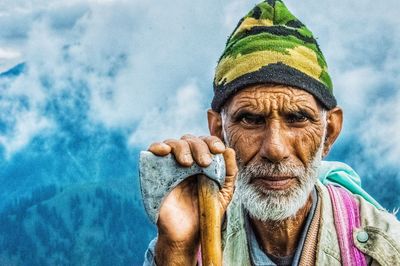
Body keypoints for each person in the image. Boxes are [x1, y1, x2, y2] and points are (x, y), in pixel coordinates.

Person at [143, 1, 400, 265]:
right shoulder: (190, 243)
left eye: (298, 118)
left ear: (329, 131)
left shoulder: (386, 250)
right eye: (251, 119)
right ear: (219, 132)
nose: (275, 149)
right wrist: (178, 250)